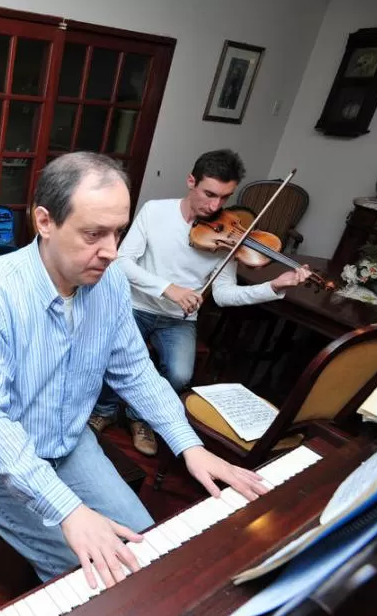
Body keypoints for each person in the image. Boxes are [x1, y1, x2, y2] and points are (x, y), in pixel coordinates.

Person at [0, 152, 269, 589]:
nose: (112, 252)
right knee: (90, 575)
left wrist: (189, 446)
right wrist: (68, 510)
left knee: (146, 546)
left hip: (68, 438)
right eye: (94, 234)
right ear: (44, 221)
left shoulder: (112, 280)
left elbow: (136, 371)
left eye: (118, 231)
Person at [90, 149, 311, 456]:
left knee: (181, 374)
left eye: (225, 197)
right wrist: (169, 288)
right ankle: (104, 409)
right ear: (191, 181)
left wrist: (272, 286)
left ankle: (140, 418)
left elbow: (223, 294)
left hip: (179, 319)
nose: (215, 206)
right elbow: (122, 262)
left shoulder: (229, 234)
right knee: (113, 355)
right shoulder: (155, 212)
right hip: (135, 307)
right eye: (209, 194)